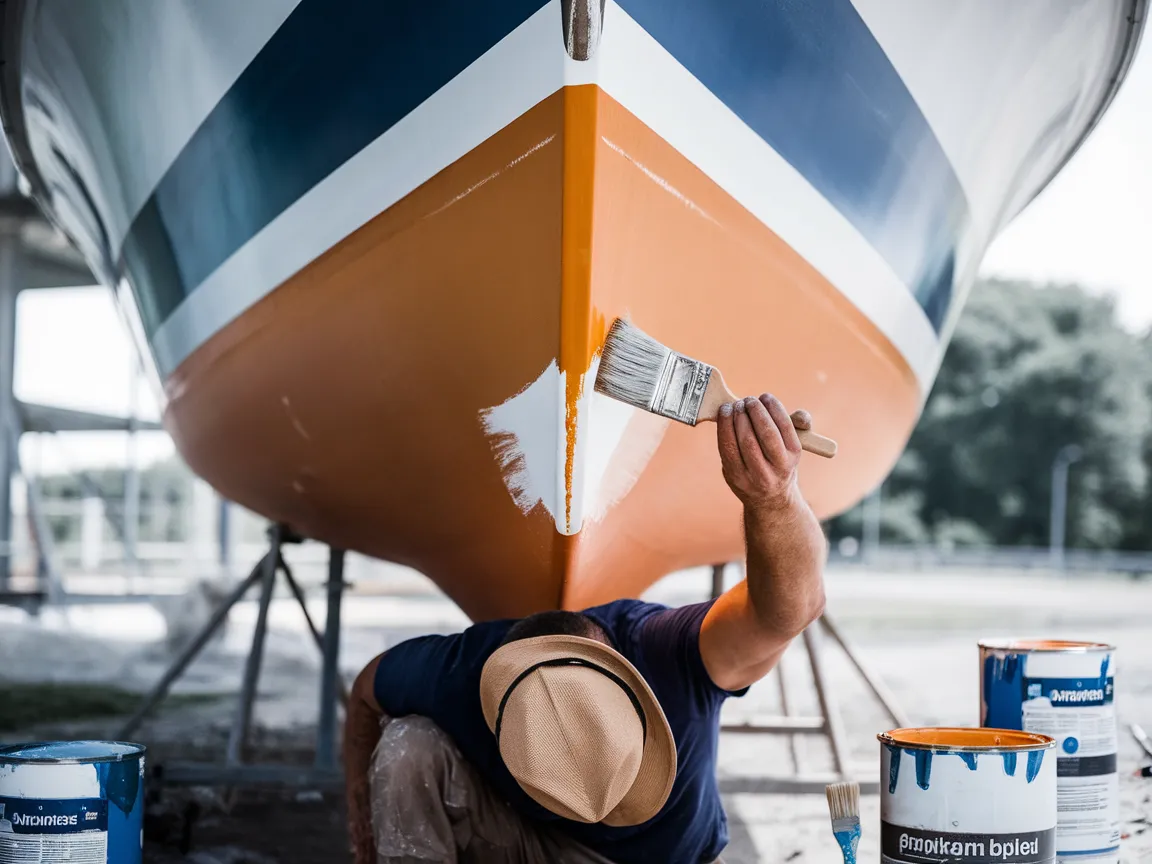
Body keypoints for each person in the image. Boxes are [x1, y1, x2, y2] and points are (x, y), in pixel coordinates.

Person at [344, 394, 828, 864]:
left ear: (625, 671)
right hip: (528, 843)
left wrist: (774, 498)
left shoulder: (671, 654)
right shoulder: (459, 675)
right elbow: (366, 689)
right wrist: (360, 820)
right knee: (409, 745)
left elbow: (788, 611)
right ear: (495, 708)